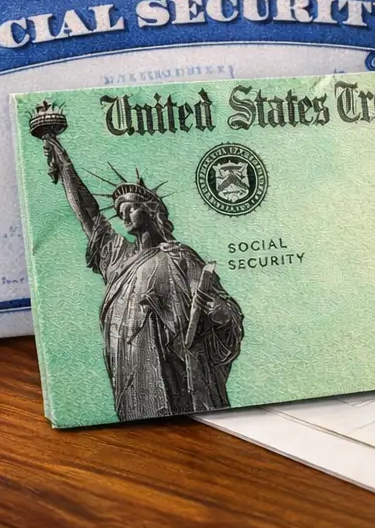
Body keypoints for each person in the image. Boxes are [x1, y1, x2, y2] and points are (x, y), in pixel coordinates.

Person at [39, 133, 244, 422]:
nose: (123, 217)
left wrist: (221, 315)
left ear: (152, 212)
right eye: (119, 212)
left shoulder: (180, 256)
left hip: (176, 364)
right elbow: (90, 217)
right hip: (132, 365)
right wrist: (65, 167)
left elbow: (224, 310)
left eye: (130, 208)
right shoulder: (118, 258)